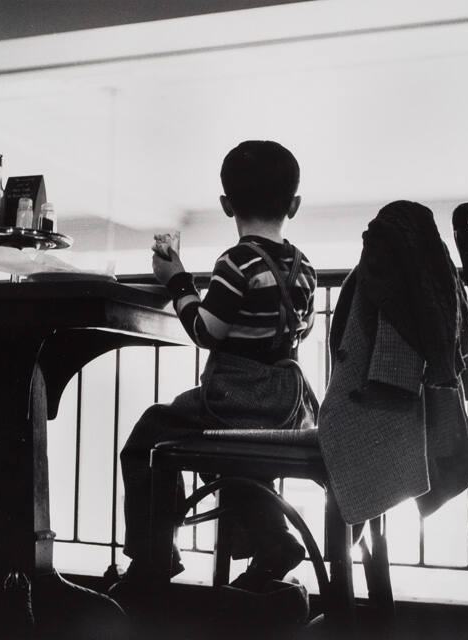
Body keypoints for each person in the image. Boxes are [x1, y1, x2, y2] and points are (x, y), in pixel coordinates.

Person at [113, 140, 317, 597]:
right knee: (231, 459)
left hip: (235, 399)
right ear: (294, 205)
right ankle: (273, 543)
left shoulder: (237, 262)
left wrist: (178, 281)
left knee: (149, 434)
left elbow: (206, 331)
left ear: (227, 206)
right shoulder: (305, 268)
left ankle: (153, 558)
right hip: (285, 404)